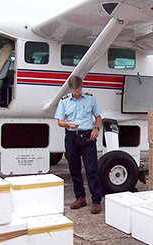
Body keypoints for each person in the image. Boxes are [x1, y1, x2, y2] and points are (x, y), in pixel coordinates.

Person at [55, 76, 103, 214]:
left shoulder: (90, 99)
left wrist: (96, 129)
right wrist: (68, 124)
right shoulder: (64, 101)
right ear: (70, 89)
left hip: (88, 136)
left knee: (91, 169)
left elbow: (98, 117)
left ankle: (96, 200)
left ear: (82, 87)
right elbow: (59, 121)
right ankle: (80, 197)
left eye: (79, 90)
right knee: (74, 168)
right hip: (72, 137)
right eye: (74, 91)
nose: (77, 93)